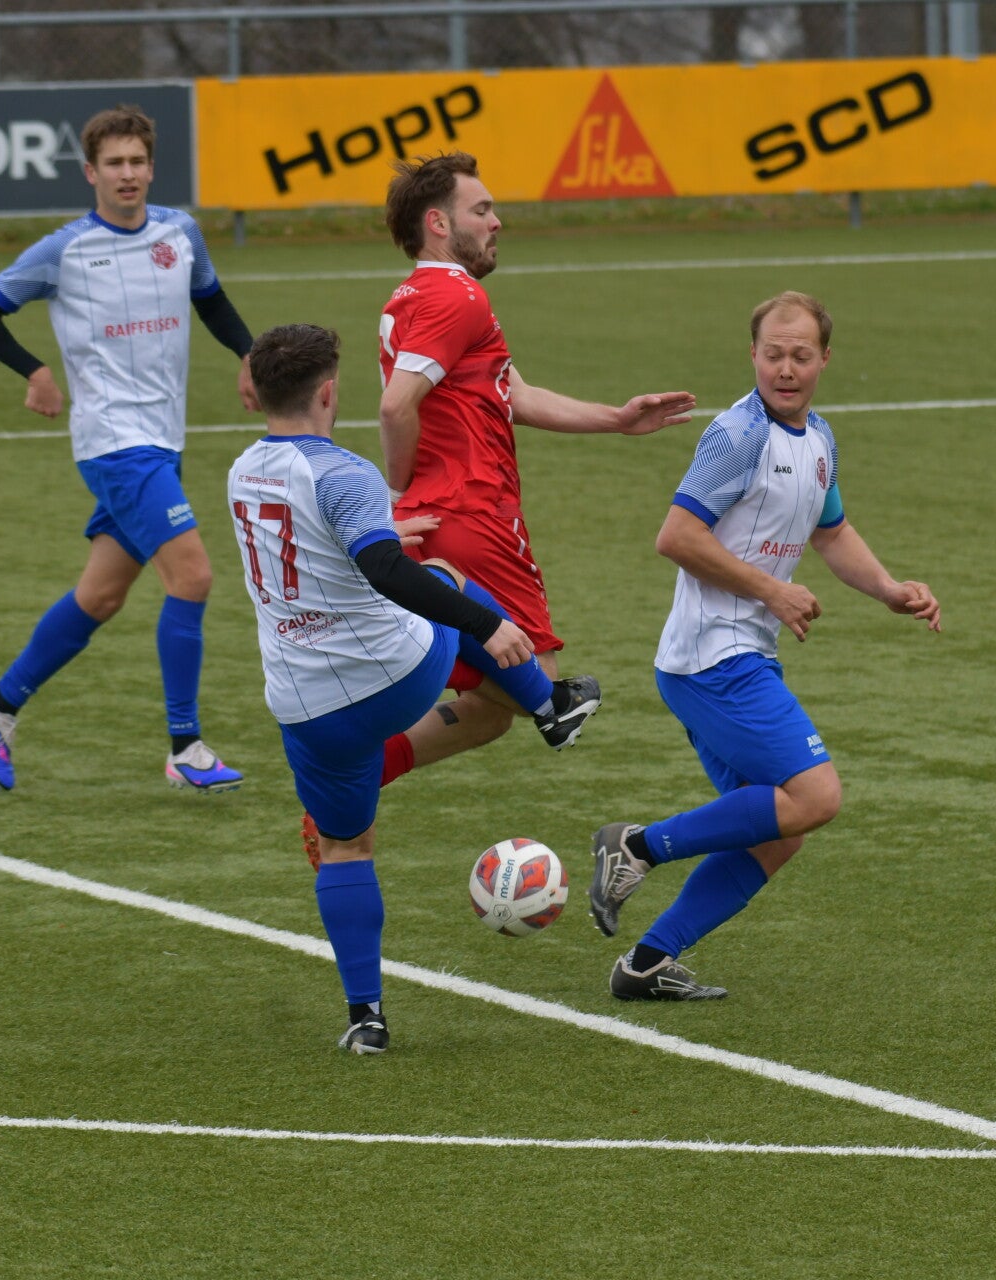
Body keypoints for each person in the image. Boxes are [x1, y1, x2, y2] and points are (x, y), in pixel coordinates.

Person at [586, 291, 941, 1001]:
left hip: (737, 656)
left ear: (824, 360)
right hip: (712, 657)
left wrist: (888, 589)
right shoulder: (738, 435)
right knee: (816, 795)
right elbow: (676, 537)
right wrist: (771, 591)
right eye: (773, 354)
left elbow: (832, 533)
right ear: (752, 355)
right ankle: (637, 846)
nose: (785, 369)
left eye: (800, 356)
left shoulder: (820, 439)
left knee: (779, 832)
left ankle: (647, 963)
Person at [229, 323, 572, 1054]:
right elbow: (387, 572)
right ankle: (552, 703)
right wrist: (487, 623)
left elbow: (318, 542)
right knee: (443, 573)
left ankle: (367, 1019)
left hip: (305, 705)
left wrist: (381, 527)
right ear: (329, 392)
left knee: (346, 847)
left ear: (257, 392)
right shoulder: (344, 472)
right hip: (394, 676)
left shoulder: (243, 470)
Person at [351, 152, 697, 822]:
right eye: (481, 210)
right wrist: (398, 491)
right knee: (541, 688)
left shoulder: (413, 296)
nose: (496, 221)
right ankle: (415, 674)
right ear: (438, 224)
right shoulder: (459, 296)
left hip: (444, 514)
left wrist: (616, 419)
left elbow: (512, 393)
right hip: (473, 513)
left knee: (486, 714)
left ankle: (360, 776)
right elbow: (396, 407)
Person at [0, 103, 256, 793]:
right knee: (193, 577)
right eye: (114, 163)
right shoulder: (63, 250)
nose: (128, 174)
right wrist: (35, 371)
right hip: (114, 444)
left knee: (101, 596)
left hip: (163, 439)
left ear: (151, 168)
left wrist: (247, 355)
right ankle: (185, 747)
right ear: (90, 172)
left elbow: (211, 300)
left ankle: (0, 705)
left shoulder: (180, 232)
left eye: (137, 162)